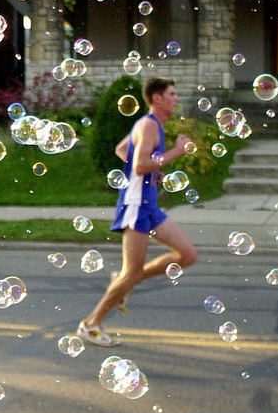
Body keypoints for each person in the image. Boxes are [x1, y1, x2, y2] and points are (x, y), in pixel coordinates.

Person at [76, 77, 198, 346]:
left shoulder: (149, 125)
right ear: (157, 99)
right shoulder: (149, 125)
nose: (177, 98)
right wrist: (176, 152)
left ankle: (122, 283)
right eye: (172, 94)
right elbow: (140, 165)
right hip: (136, 205)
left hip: (149, 204)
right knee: (132, 272)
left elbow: (123, 151)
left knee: (188, 255)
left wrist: (154, 173)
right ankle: (91, 324)